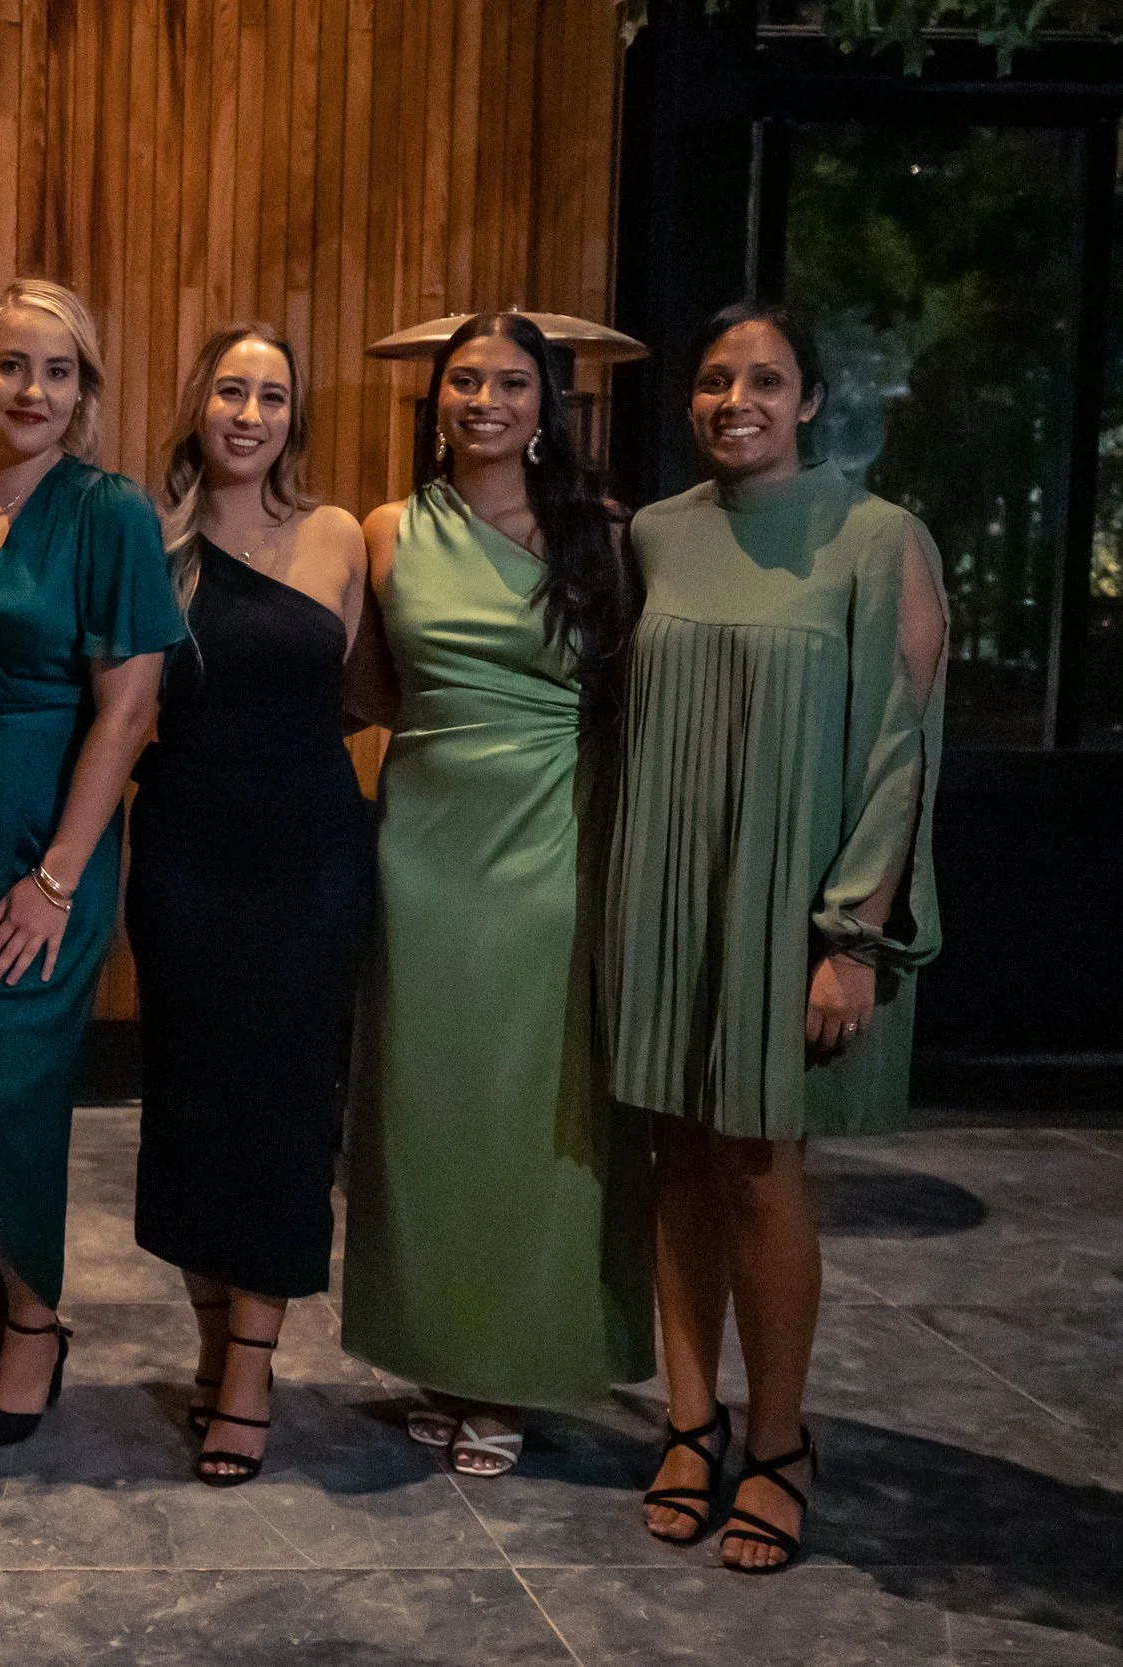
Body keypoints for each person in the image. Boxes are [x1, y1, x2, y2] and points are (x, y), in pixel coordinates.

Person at [611, 302, 946, 1573]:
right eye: (714, 380)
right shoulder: (656, 532)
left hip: (792, 897)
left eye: (764, 380)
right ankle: (689, 1423)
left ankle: (779, 1442)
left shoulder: (876, 536)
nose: (734, 401)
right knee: (676, 1157)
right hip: (671, 890)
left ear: (809, 399)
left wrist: (851, 934)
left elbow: (902, 747)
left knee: (760, 1162)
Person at [340, 311, 652, 1479]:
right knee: (427, 1103)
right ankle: (438, 1351)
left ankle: (515, 1364)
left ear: (545, 402)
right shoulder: (387, 528)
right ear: (437, 398)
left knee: (530, 1106)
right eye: (464, 380)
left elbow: (628, 685)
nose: (483, 399)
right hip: (423, 843)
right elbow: (370, 683)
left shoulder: (598, 529)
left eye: (510, 382)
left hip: (550, 837)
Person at [0, 278, 185, 1453]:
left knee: (8, 1082)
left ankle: (35, 1325)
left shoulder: (107, 512)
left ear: (83, 392)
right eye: (11, 364)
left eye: (58, 371)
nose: (32, 390)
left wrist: (58, 876)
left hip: (42, 826)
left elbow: (128, 709)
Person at [129, 323, 372, 1487]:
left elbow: (363, 689)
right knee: (192, 1107)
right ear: (199, 404)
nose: (249, 414)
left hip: (309, 857)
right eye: (231, 390)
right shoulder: (150, 538)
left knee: (282, 1109)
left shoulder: (338, 535)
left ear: (292, 418)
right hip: (184, 849)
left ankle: (251, 1369)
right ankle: (210, 1337)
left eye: (272, 396)